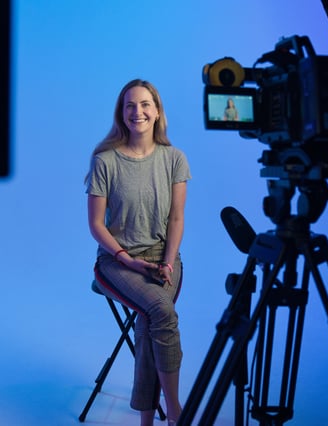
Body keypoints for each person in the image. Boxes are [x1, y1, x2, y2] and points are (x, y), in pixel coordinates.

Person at [84, 78, 191, 426]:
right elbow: (96, 225)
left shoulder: (174, 159)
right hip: (116, 261)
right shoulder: (105, 161)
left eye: (145, 104)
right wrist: (127, 259)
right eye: (130, 105)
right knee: (160, 311)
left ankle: (147, 420)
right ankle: (175, 411)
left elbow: (177, 219)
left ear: (157, 112)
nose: (137, 111)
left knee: (150, 321)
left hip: (163, 256)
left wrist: (167, 263)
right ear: (122, 113)